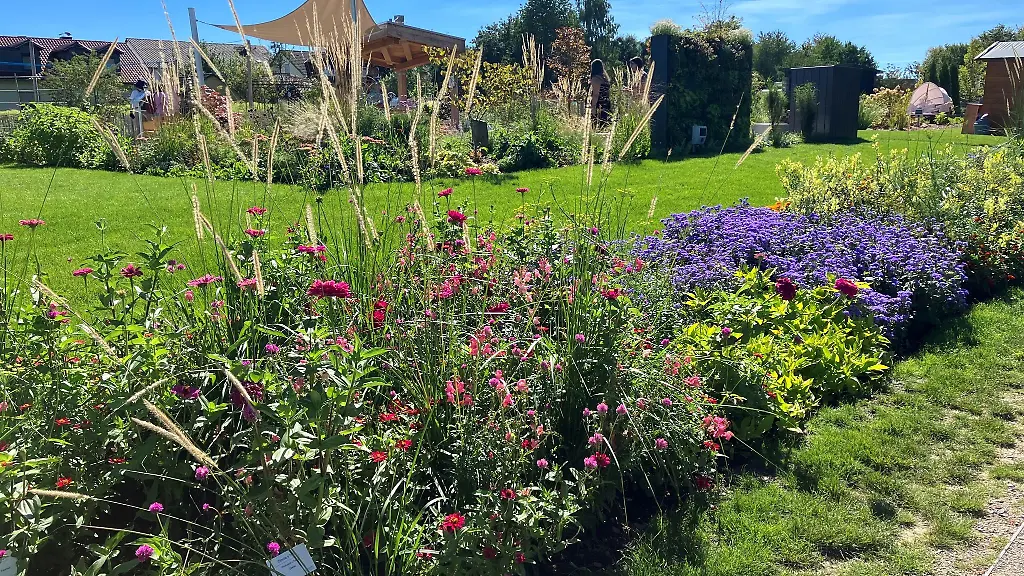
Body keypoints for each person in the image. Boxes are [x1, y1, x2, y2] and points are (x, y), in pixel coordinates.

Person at [589, 59, 612, 126]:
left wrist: (593, 107)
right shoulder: (605, 79)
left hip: (599, 105)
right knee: (605, 125)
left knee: (597, 126)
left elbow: (596, 94)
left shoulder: (595, 79)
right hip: (606, 105)